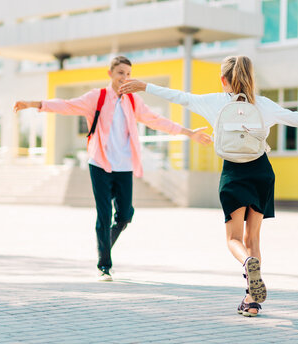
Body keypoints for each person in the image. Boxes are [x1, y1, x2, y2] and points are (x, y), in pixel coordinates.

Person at [119, 55, 298, 316]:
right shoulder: (264, 105)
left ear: (223, 79)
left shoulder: (213, 102)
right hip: (261, 172)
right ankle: (252, 301)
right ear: (250, 78)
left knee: (234, 239)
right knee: (253, 237)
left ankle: (247, 263)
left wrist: (145, 86)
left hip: (234, 173)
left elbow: (180, 96)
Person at [14, 56, 212, 282]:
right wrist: (34, 104)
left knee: (125, 215)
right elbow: (67, 105)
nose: (125, 78)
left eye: (128, 73)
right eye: (120, 73)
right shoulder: (96, 97)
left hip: (124, 166)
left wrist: (188, 133)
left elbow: (156, 120)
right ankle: (104, 265)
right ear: (110, 74)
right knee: (104, 214)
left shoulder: (133, 101)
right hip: (100, 163)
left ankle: (104, 243)